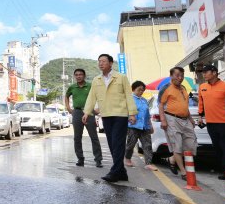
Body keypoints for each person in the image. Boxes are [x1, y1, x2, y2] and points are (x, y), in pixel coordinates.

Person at [83, 54, 137, 182]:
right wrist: (86, 112)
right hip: (106, 115)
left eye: (104, 61)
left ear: (111, 63)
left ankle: (114, 172)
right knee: (112, 144)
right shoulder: (96, 80)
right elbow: (92, 97)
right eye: (99, 61)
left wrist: (132, 113)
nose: (101, 63)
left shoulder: (121, 77)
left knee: (117, 143)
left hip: (120, 114)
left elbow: (129, 96)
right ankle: (122, 172)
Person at [197, 64, 225, 180]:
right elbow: (201, 103)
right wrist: (200, 116)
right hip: (211, 123)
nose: (204, 74)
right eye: (203, 72)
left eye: (206, 72)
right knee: (218, 148)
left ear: (214, 72)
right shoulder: (202, 87)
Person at [158, 67, 197, 181]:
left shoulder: (183, 88)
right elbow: (161, 105)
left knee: (191, 144)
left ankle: (172, 159)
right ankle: (184, 172)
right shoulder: (165, 88)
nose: (180, 78)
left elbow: (185, 105)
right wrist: (163, 120)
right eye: (177, 75)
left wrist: (190, 118)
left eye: (182, 76)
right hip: (172, 119)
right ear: (171, 76)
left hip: (185, 119)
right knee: (177, 146)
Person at [65, 68, 103, 167]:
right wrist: (68, 108)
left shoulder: (91, 86)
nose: (78, 76)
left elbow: (100, 95)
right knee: (77, 137)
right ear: (75, 76)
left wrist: (99, 108)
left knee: (93, 136)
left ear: (84, 76)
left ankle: (98, 159)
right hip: (77, 112)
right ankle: (80, 159)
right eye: (76, 75)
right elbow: (66, 96)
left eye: (80, 74)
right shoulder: (72, 87)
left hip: (89, 112)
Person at [124, 81, 157, 171]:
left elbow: (148, 114)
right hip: (133, 125)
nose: (141, 92)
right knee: (130, 145)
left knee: (147, 145)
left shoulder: (144, 100)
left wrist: (150, 125)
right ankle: (127, 158)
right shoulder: (129, 99)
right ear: (134, 89)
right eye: (139, 89)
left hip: (144, 126)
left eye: (142, 90)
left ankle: (148, 163)